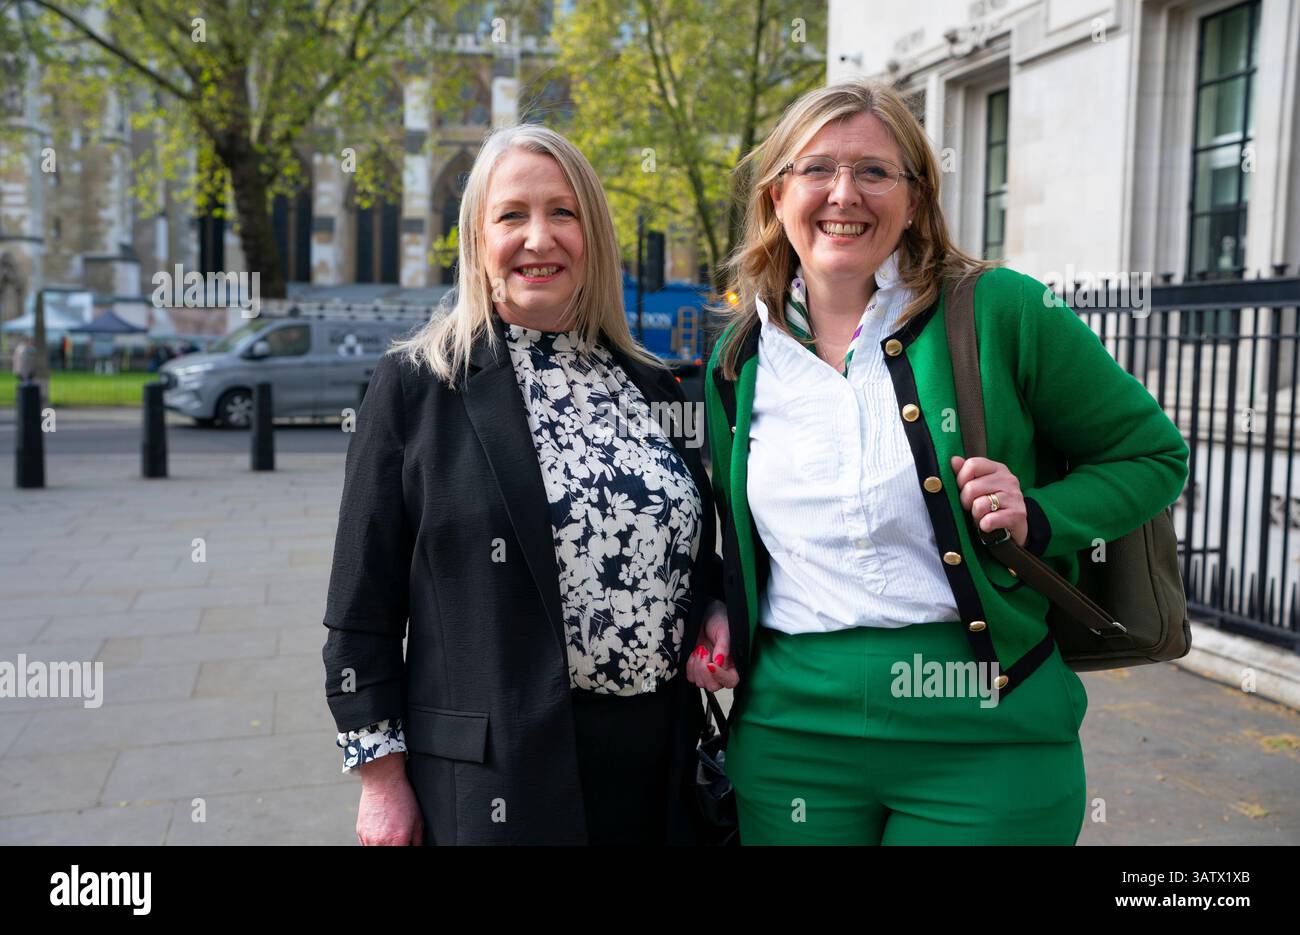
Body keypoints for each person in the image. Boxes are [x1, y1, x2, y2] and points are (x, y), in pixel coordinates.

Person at [704, 80, 1189, 845]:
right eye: (817, 169)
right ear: (776, 193)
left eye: (874, 171)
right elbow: (745, 544)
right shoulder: (737, 359)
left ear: (916, 195)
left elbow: (1152, 453)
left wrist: (1041, 513)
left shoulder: (1005, 312)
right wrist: (721, 610)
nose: (844, 194)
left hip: (987, 735)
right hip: (789, 741)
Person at [322, 124, 732, 846]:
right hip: (497, 780)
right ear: (478, 239)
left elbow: (685, 549)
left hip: (660, 769)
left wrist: (713, 608)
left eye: (562, 213)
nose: (538, 238)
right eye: (512, 215)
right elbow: (362, 606)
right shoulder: (417, 385)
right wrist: (380, 780)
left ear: (593, 237)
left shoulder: (652, 384)